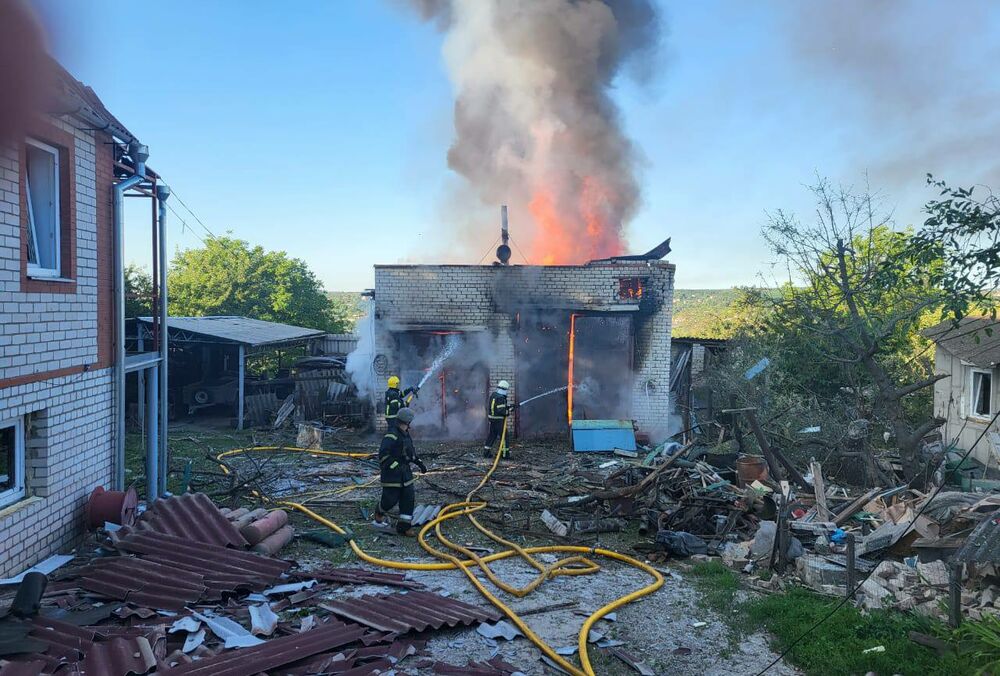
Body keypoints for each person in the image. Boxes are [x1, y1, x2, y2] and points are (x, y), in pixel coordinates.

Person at [373, 407, 426, 535]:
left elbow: (410, 453)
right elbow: (383, 455)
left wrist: (419, 463)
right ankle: (379, 512)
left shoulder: (406, 435)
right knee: (390, 500)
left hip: (405, 475)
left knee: (408, 498)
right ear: (407, 421)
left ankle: (404, 527)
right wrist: (395, 465)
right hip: (392, 476)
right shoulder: (391, 435)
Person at [483, 380, 516, 458]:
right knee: (505, 437)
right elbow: (501, 411)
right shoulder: (501, 397)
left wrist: (508, 406)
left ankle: (486, 452)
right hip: (499, 421)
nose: (506, 392)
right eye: (506, 390)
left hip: (493, 419)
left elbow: (497, 406)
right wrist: (509, 410)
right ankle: (505, 454)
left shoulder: (494, 395)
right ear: (504, 389)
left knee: (492, 435)